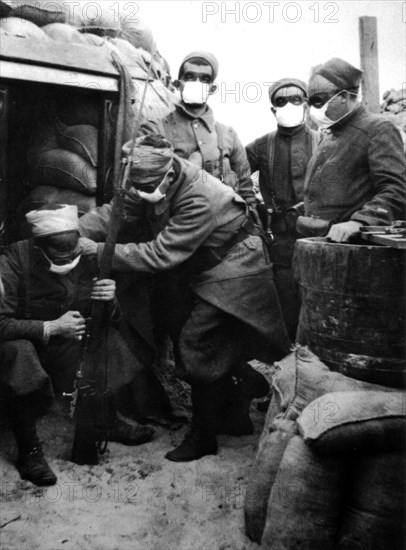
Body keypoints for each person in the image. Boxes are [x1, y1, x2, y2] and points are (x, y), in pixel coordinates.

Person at [79, 135, 291, 463]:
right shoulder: (150, 177)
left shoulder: (200, 196)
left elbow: (161, 253)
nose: (142, 192)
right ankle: (239, 402)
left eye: (147, 185)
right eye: (137, 185)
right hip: (202, 263)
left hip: (236, 264)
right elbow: (117, 212)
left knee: (198, 339)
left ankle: (203, 435)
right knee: (184, 330)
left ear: (171, 173)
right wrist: (73, 230)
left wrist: (100, 251)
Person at [0, 205, 154, 487]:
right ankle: (28, 450)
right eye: (60, 253)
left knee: (105, 341)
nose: (69, 258)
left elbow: (105, 318)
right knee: (18, 352)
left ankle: (104, 419)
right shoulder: (14, 259)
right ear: (39, 246)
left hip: (65, 342)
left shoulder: (86, 256)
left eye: (73, 251)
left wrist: (111, 302)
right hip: (24, 342)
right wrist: (51, 327)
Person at [298, 57, 406, 242]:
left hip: (356, 249)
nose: (313, 109)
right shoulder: (329, 135)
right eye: (311, 102)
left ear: (344, 97)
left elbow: (396, 189)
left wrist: (360, 222)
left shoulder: (378, 129)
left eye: (319, 100)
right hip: (325, 245)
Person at [246, 78, 319, 338]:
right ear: (273, 109)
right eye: (281, 101)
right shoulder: (261, 146)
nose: (289, 105)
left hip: (317, 234)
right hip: (280, 237)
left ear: (307, 105)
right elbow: (236, 174)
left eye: (296, 100)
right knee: (286, 298)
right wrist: (254, 204)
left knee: (318, 295)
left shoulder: (323, 142)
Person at [141, 50, 257, 207]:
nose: (197, 82)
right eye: (190, 77)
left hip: (223, 226)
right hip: (176, 225)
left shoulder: (228, 135)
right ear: (177, 84)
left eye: (205, 79)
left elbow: (246, 190)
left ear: (212, 88)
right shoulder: (155, 129)